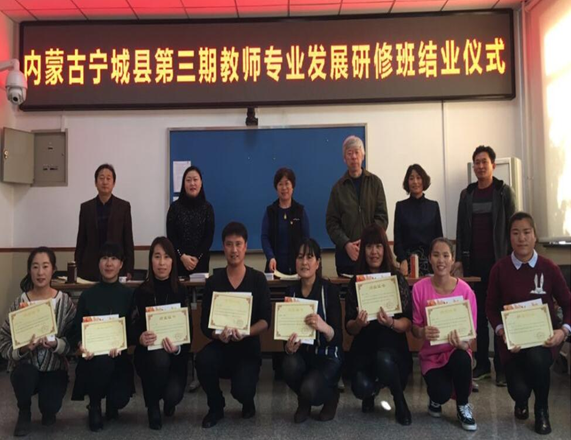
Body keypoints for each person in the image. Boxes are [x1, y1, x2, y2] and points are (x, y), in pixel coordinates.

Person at [486, 212, 571, 435]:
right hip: (512, 344)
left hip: (544, 341)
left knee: (536, 358)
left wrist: (563, 331)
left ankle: (542, 410)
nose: (521, 238)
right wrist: (501, 331)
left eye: (526, 232)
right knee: (519, 390)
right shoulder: (500, 269)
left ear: (535, 236)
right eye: (516, 233)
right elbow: (491, 308)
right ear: (509, 237)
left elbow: (568, 304)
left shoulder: (549, 268)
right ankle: (522, 400)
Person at [196, 222, 271, 428]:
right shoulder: (214, 282)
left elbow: (266, 320)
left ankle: (247, 401)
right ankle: (216, 406)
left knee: (242, 390)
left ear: (246, 246)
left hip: (248, 348)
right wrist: (217, 335)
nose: (234, 249)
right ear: (223, 247)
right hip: (222, 345)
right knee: (202, 360)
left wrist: (247, 332)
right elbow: (204, 324)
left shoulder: (257, 279)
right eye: (229, 244)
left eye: (238, 244)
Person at [454, 146, 516, 384]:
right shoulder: (467, 194)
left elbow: (512, 225)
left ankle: (502, 366)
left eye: (484, 162)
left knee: (500, 314)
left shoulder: (503, 192)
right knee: (477, 315)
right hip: (474, 265)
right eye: (477, 163)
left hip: (499, 263)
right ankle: (481, 364)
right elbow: (460, 229)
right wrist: (459, 259)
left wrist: (511, 258)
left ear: (493, 165)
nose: (480, 166)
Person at [0, 247, 76, 437]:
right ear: (29, 270)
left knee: (50, 409)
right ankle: (24, 410)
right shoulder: (20, 303)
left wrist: (57, 344)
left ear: (53, 269)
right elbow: (4, 341)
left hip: (54, 367)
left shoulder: (65, 302)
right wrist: (23, 348)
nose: (40, 272)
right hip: (26, 366)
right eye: (35, 267)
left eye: (45, 266)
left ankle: (48, 406)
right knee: (24, 374)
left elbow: (74, 341)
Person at [345, 224, 412, 425]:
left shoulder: (396, 278)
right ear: (363, 250)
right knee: (360, 386)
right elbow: (349, 327)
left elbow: (407, 322)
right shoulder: (356, 282)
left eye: (378, 246)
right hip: (364, 348)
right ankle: (371, 392)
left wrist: (391, 322)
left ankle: (399, 400)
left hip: (392, 348)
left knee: (384, 359)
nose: (374, 252)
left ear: (385, 249)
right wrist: (358, 323)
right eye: (369, 246)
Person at [412, 238, 478, 432]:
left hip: (456, 351)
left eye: (445, 255)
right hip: (432, 356)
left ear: (452, 259)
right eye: (436, 255)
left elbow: (471, 334)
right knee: (440, 393)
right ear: (429, 259)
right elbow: (415, 328)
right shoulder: (419, 288)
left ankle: (463, 406)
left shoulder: (466, 291)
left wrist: (465, 344)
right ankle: (435, 398)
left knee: (462, 358)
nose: (441, 260)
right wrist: (422, 331)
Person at [68, 242, 134, 432]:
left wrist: (123, 343)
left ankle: (112, 403)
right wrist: (80, 344)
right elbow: (75, 330)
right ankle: (95, 405)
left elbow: (133, 329)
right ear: (98, 263)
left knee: (120, 398)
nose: (109, 263)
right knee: (102, 362)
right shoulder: (88, 295)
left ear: (121, 264)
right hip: (93, 359)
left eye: (114, 258)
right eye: (104, 258)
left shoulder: (129, 295)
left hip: (118, 356)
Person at [130, 237, 191, 430]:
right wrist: (140, 337)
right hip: (149, 356)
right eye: (157, 257)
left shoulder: (181, 291)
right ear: (151, 260)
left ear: (173, 261)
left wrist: (177, 348)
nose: (162, 262)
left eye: (166, 257)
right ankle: (153, 405)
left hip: (175, 358)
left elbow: (189, 334)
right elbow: (131, 327)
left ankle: (168, 401)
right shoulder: (141, 292)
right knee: (158, 358)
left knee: (173, 395)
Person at [282, 239, 343, 423]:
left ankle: (331, 396)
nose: (304, 262)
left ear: (318, 263)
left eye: (309, 257)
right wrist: (288, 347)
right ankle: (304, 402)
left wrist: (324, 327)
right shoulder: (291, 292)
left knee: (310, 388)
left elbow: (338, 338)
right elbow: (284, 334)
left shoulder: (329, 290)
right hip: (304, 355)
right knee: (288, 364)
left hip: (327, 356)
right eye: (300, 257)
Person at [326, 135, 388, 276]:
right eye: (349, 153)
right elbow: (331, 223)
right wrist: (346, 244)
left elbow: (382, 217)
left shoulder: (375, 183)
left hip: (373, 257)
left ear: (363, 155)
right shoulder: (338, 188)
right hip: (346, 258)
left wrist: (367, 241)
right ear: (344, 158)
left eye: (356, 152)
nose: (353, 157)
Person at [75, 163, 135, 281]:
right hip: (91, 266)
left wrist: (129, 269)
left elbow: (128, 240)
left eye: (108, 178)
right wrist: (77, 266)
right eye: (101, 178)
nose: (105, 182)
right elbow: (81, 240)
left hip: (116, 264)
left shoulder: (123, 207)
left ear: (114, 183)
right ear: (95, 182)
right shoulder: (86, 207)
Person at [394, 164, 443, 277]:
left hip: (430, 263)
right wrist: (402, 260)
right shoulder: (401, 206)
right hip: (407, 263)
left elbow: (439, 238)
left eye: (418, 178)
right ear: (407, 182)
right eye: (411, 178)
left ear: (423, 180)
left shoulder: (433, 206)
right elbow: (398, 240)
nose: (415, 182)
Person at [167, 165, 215, 277]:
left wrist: (197, 257)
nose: (192, 183)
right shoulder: (174, 208)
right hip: (179, 261)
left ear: (201, 183)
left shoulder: (208, 208)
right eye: (188, 180)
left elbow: (208, 238)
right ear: (183, 184)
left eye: (195, 179)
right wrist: (182, 256)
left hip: (201, 262)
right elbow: (171, 236)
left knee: (200, 288)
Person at [261, 167, 310, 275]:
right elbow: (265, 237)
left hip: (297, 269)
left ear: (293, 186)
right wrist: (270, 257)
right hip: (274, 267)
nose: (284, 188)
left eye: (287, 183)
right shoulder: (270, 211)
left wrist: (303, 259)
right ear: (276, 187)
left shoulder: (300, 211)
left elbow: (306, 239)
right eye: (280, 184)